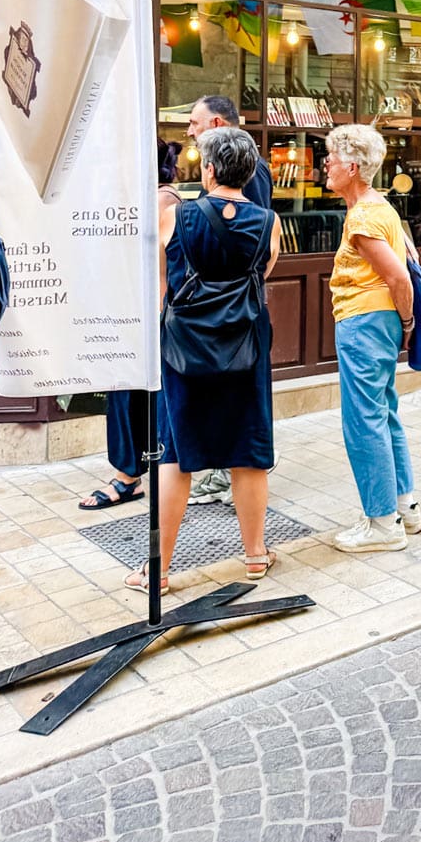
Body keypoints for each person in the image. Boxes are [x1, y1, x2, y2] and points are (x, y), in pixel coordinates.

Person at [124, 126, 282, 595]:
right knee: (248, 451)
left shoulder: (176, 216)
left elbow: (162, 290)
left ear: (209, 170)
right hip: (245, 348)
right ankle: (255, 556)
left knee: (176, 455)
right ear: (250, 170)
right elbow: (260, 277)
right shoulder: (269, 222)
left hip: (183, 352)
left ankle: (159, 570)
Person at [325, 123, 421, 553]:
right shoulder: (381, 207)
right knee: (384, 412)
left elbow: (399, 275)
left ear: (352, 166)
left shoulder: (363, 216)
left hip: (364, 321)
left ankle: (382, 523)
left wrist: (406, 321)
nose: (325, 164)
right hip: (376, 321)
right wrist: (399, 322)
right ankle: (405, 507)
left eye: (331, 157)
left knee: (363, 420)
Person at [79, 140, 182, 512]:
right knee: (128, 392)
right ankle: (133, 472)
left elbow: (159, 267)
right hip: (136, 310)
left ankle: (130, 476)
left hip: (149, 313)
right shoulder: (150, 198)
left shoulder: (161, 201)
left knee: (131, 392)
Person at [185, 95, 273, 506]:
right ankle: (229, 467)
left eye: (195, 122)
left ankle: (228, 472)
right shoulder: (250, 165)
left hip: (233, 307)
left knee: (233, 387)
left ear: (218, 123)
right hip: (234, 302)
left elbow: (256, 246)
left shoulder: (245, 172)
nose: (190, 130)